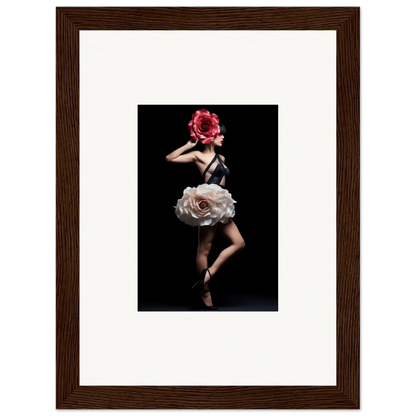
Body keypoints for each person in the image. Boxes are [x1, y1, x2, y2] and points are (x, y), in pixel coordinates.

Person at [165, 109, 245, 310]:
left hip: (221, 204)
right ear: (209, 135)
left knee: (239, 243)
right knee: (205, 249)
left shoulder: (222, 158)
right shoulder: (198, 155)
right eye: (219, 133)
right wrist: (188, 144)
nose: (223, 137)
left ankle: (207, 275)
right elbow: (170, 158)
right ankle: (205, 292)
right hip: (208, 203)